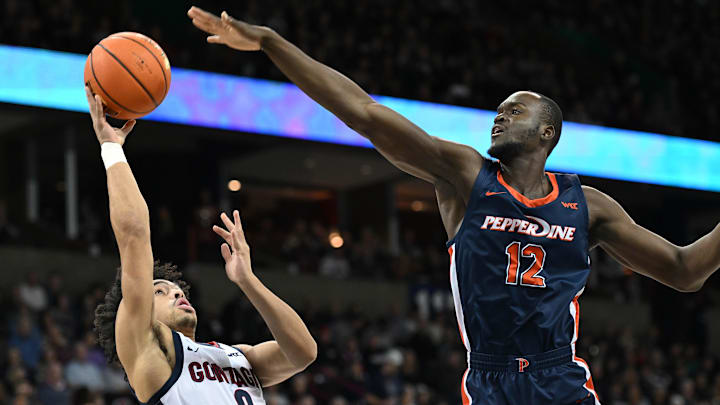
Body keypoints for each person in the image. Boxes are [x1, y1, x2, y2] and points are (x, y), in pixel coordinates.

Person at [186, 7, 720, 405]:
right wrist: (272, 42)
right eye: (499, 109)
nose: (500, 115)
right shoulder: (466, 176)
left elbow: (684, 269)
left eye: (515, 110)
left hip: (561, 378)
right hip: (488, 379)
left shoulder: (590, 206)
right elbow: (365, 114)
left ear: (548, 132)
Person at [85, 87, 317, 404]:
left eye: (175, 289)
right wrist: (111, 147)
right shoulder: (151, 352)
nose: (177, 292)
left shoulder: (237, 357)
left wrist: (247, 281)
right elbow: (135, 235)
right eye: (160, 291)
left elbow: (303, 352)